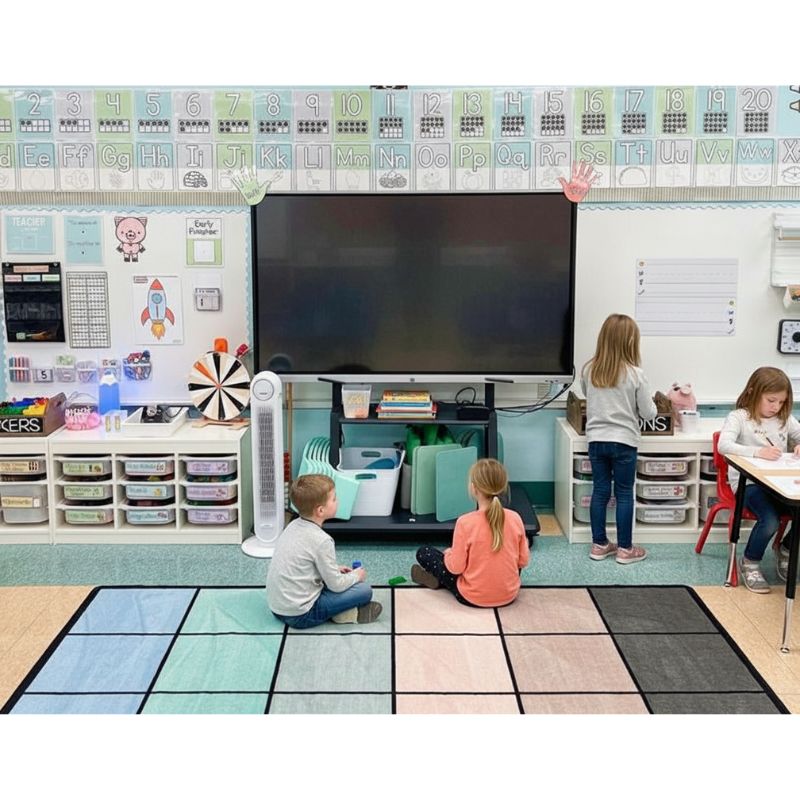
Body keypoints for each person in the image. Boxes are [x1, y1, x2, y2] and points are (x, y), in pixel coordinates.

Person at [581, 313, 657, 564]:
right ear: (631, 342)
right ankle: (625, 549)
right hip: (624, 440)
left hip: (596, 439)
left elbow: (587, 397)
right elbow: (648, 412)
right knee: (624, 493)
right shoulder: (636, 374)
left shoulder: (590, 370)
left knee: (600, 490)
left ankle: (599, 544)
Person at [718, 366, 800, 593]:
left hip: (777, 484)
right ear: (754, 392)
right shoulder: (739, 417)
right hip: (749, 485)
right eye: (771, 400)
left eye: (781, 402)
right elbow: (723, 445)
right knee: (770, 520)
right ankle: (750, 562)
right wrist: (757, 452)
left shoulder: (784, 419)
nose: (776, 407)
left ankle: (785, 549)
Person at [266, 474, 382, 627]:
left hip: (277, 607)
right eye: (334, 499)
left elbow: (303, 564)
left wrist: (335, 569)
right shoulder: (322, 540)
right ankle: (345, 614)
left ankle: (337, 609)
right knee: (364, 590)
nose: (337, 501)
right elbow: (336, 585)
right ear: (320, 510)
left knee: (335, 580)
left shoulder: (292, 525)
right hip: (302, 615)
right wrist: (356, 576)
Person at [411, 458, 530, 607]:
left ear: (473, 488)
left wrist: (449, 553)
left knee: (424, 552)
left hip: (471, 597)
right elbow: (523, 561)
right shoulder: (515, 518)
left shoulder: (465, 522)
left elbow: (455, 567)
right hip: (509, 595)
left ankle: (438, 580)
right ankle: (498, 585)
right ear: (502, 487)